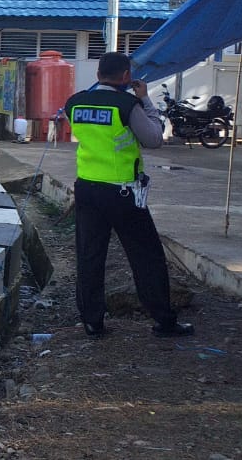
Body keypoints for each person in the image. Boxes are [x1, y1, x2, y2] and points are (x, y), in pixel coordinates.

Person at [64, 52, 193, 339]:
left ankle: (92, 322)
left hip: (86, 189)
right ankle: (163, 321)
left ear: (98, 74)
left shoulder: (75, 102)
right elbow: (154, 139)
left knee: (90, 257)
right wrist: (145, 100)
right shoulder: (127, 104)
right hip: (123, 192)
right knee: (147, 257)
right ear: (125, 77)